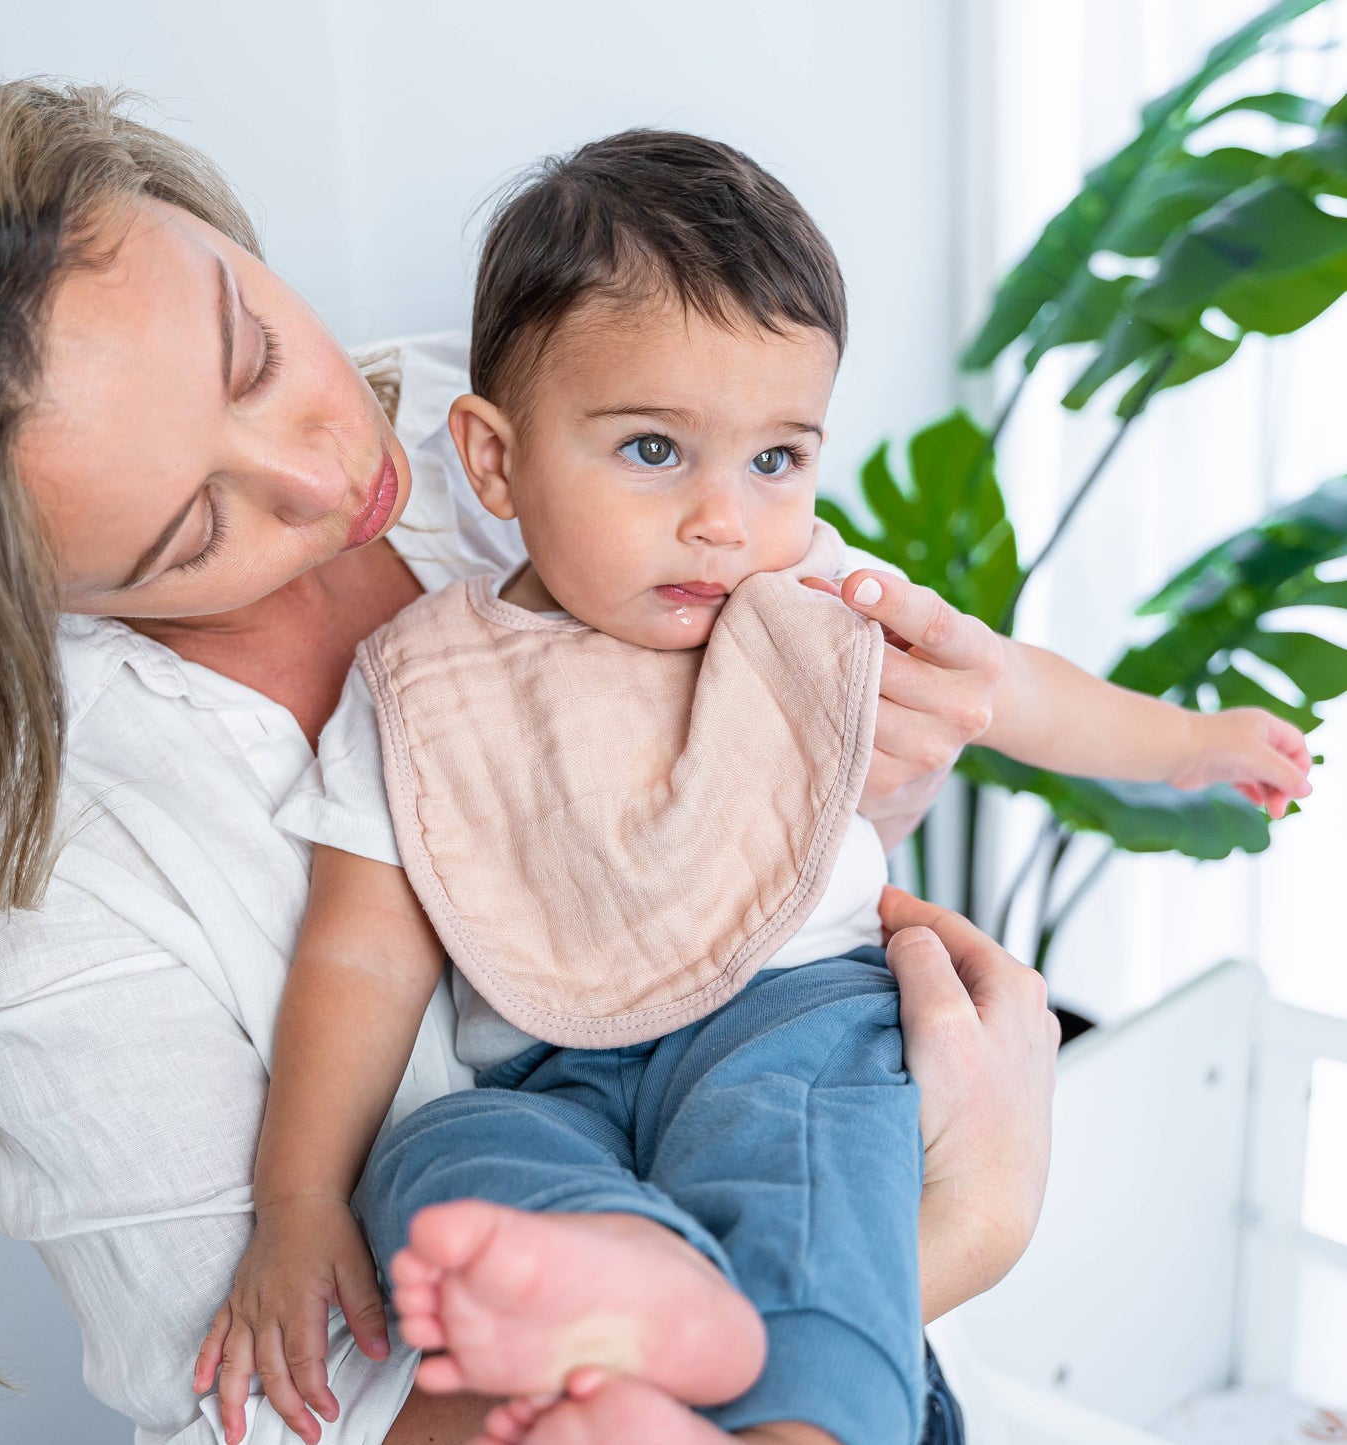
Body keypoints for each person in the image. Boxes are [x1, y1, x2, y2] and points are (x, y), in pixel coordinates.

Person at [0, 74, 1056, 1445]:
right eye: (193, 532)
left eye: (256, 353)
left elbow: (835, 709)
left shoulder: (498, 421)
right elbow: (287, 1409)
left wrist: (908, 762)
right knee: (418, 1164)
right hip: (737, 1358)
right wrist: (963, 1225)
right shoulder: (28, 893)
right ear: (11, 593)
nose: (331, 476)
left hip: (801, 1140)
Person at [195, 133, 1312, 1445]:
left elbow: (1003, 684)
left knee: (802, 1181)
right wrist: (297, 1201)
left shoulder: (807, 596)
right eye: (655, 449)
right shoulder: (426, 685)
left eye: (775, 459)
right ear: (495, 461)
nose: (724, 518)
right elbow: (361, 958)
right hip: (549, 1072)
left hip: (788, 1010)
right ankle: (643, 1300)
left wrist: (1179, 744)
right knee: (436, 1171)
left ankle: (803, 1427)